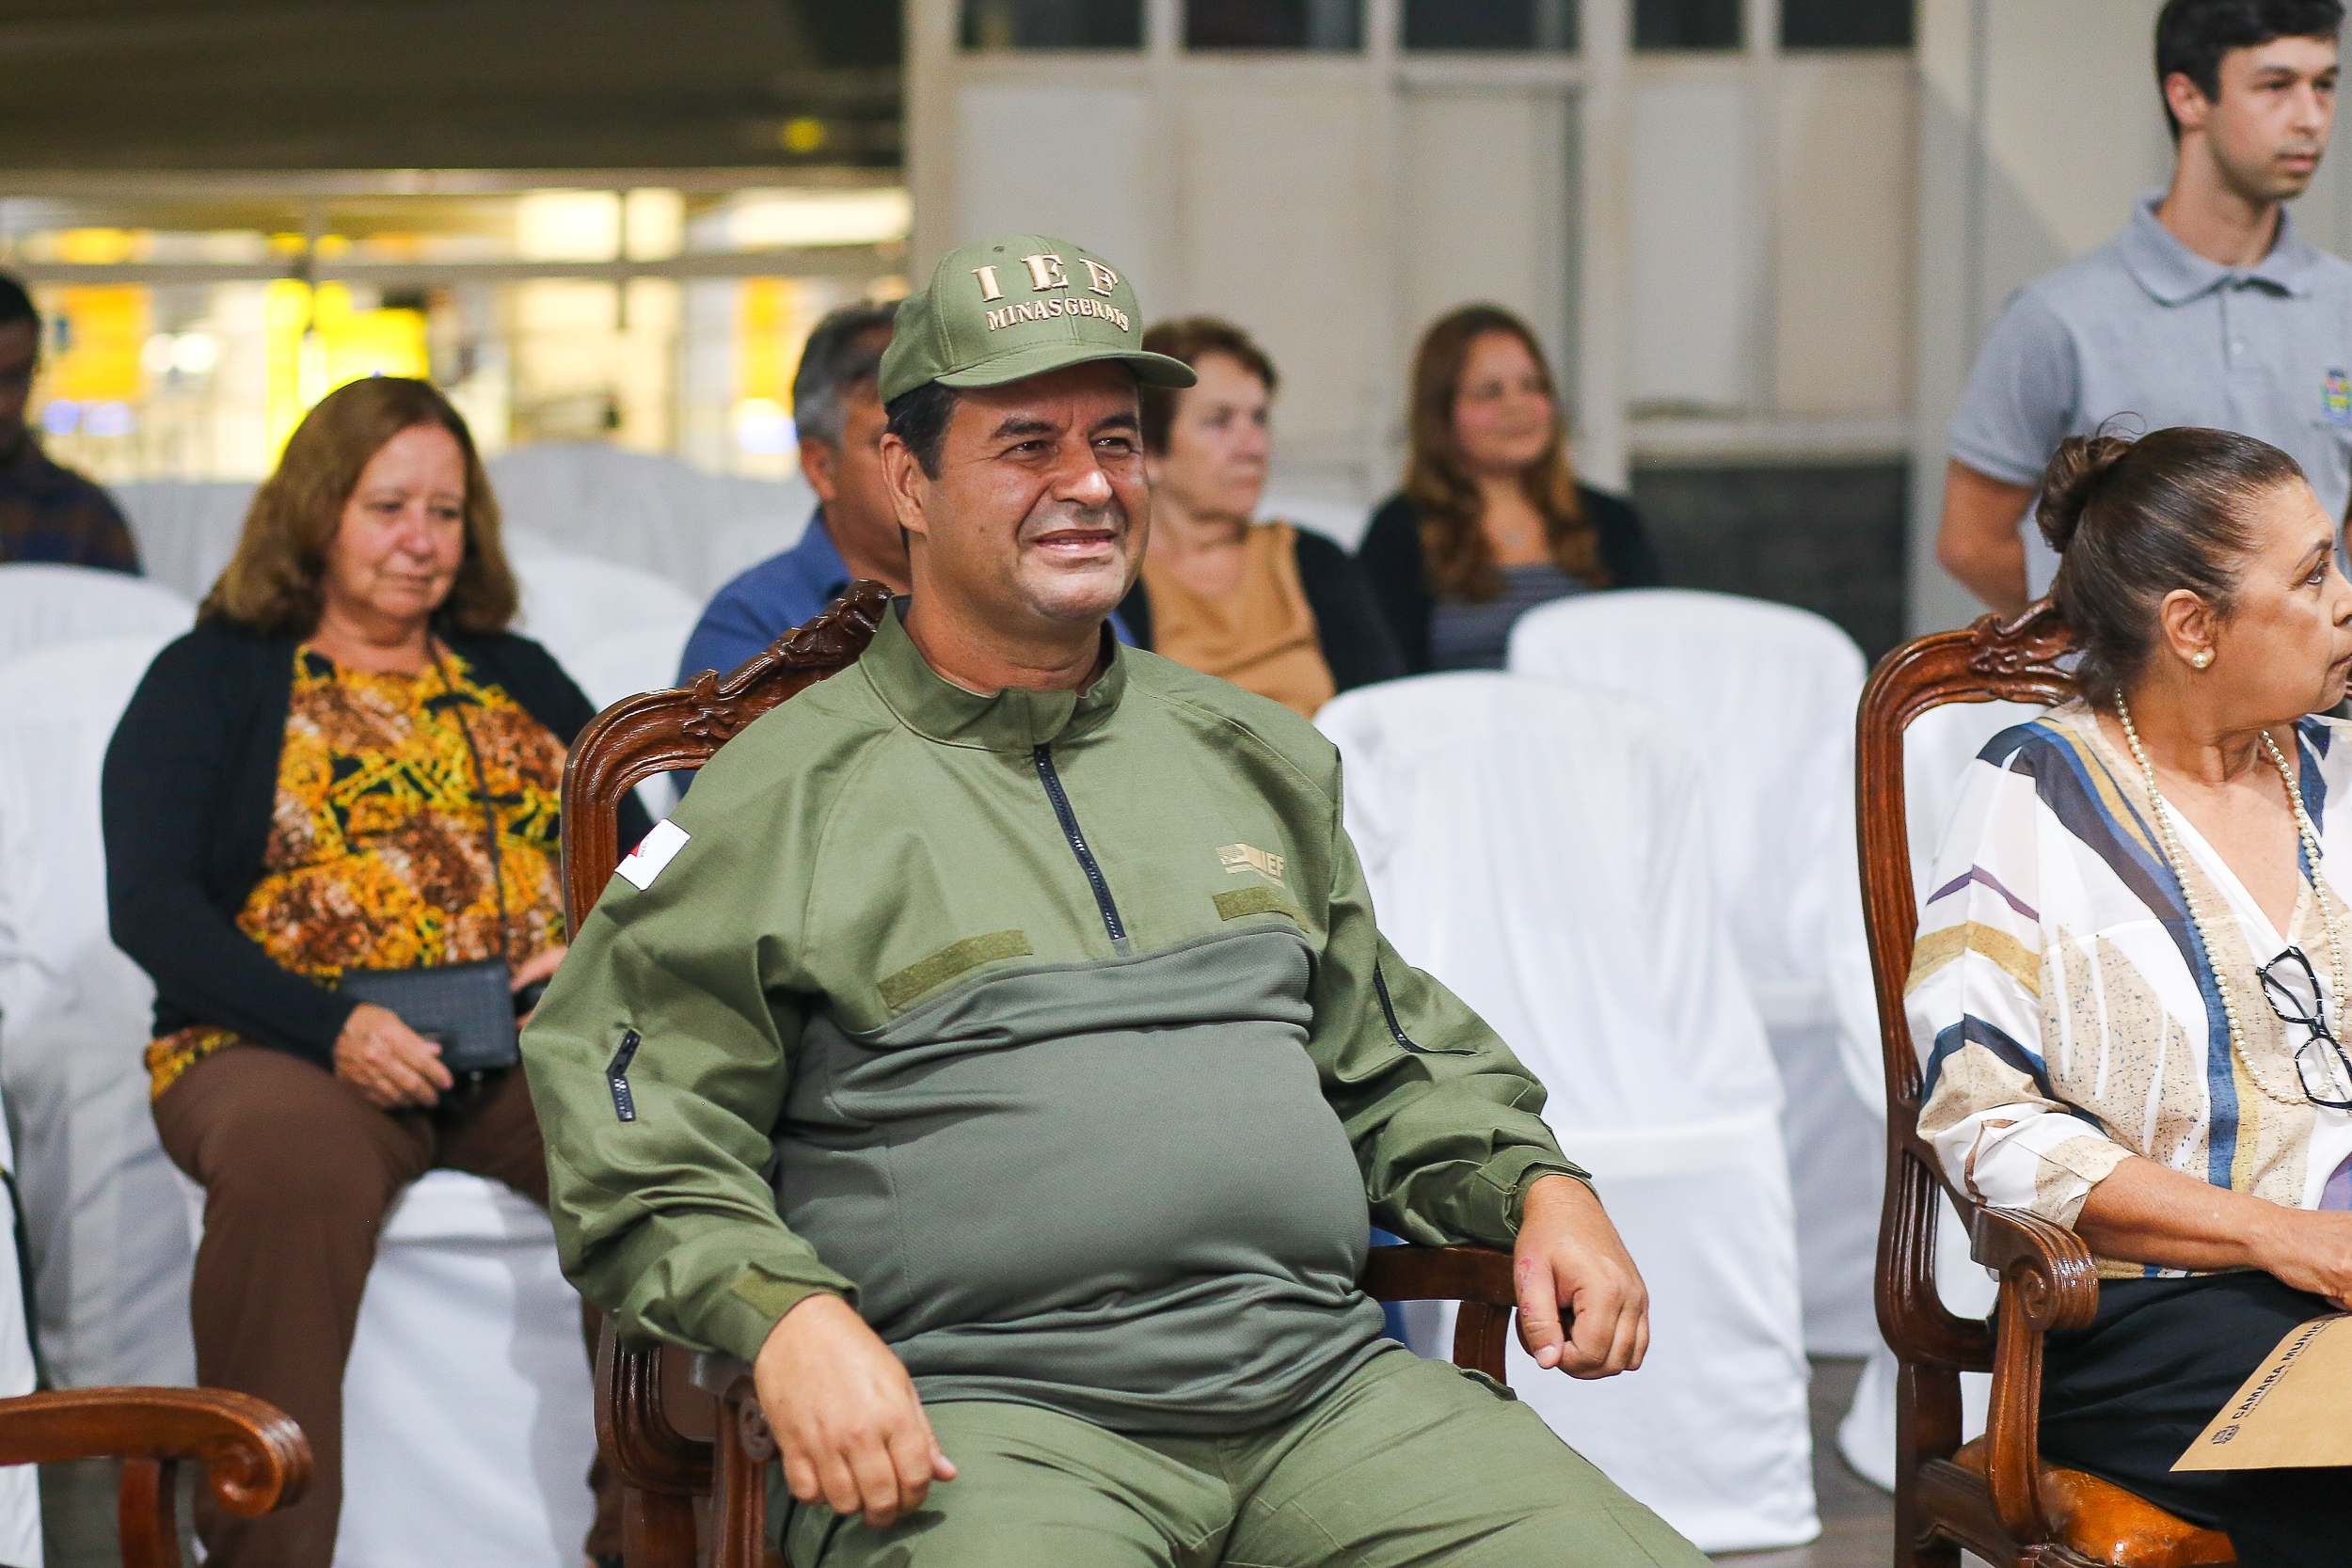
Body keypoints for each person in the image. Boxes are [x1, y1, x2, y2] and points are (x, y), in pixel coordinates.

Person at [522, 233, 1704, 1568]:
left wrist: (1538, 1182)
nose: (1089, 483)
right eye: (1028, 444)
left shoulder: (1252, 755)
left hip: (1322, 1395)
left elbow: (1391, 1055)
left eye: (1119, 441)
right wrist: (782, 1312)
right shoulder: (785, 790)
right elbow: (624, 1101)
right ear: (907, 480)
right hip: (982, 1422)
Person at [101, 376, 645, 1568]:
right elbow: (150, 905)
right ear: (316, 512)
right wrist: (331, 1026)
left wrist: (595, 944)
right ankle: (266, 1551)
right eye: (388, 507)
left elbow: (652, 847)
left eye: (445, 513)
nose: (421, 541)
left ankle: (652, 1536)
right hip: (279, 1042)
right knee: (291, 1164)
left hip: (517, 1039)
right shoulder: (211, 675)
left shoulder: (516, 668)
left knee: (649, 1128)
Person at [1911, 426, 2352, 1564]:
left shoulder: (2337, 774)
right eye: (2313, 574)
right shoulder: (2034, 795)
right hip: (2146, 1315)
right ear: (2193, 627)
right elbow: (1980, 1121)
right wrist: (2283, 1236)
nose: (2346, 599)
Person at [1939, 0, 2348, 616]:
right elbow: (1972, 540)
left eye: (2324, 85)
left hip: (2318, 677)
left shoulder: (2343, 305)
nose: (2311, 118)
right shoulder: (2058, 319)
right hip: (2123, 679)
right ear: (2188, 98)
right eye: (2275, 86)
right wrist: (2100, 644)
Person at [1357, 304, 1661, 674]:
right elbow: (1384, 681)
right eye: (1489, 392)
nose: (1517, 405)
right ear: (1441, 413)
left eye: (1533, 386)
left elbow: (1653, 655)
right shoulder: (1398, 532)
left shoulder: (1612, 520)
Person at [1120, 317, 1400, 718]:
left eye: (1259, 419)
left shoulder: (1314, 560)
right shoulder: (1116, 582)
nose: (1253, 446)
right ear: (1149, 451)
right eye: (1219, 422)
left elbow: (1385, 713)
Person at [680, 301, 908, 683]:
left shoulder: (1001, 589)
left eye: (937, 438)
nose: (927, 464)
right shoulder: (753, 627)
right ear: (821, 467)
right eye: (889, 445)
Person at [0, 271, 139, 573]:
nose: (4, 404)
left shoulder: (85, 516)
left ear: (37, 370)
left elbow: (129, 603)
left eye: (16, 377)